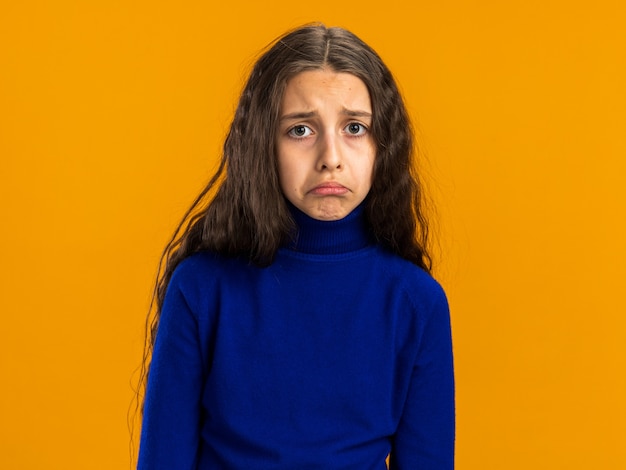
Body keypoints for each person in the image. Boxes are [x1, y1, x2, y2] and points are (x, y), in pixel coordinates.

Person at [137, 23, 455, 469]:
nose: (331, 156)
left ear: (383, 145)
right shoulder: (202, 288)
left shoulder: (415, 302)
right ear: (263, 145)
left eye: (354, 127)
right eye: (301, 130)